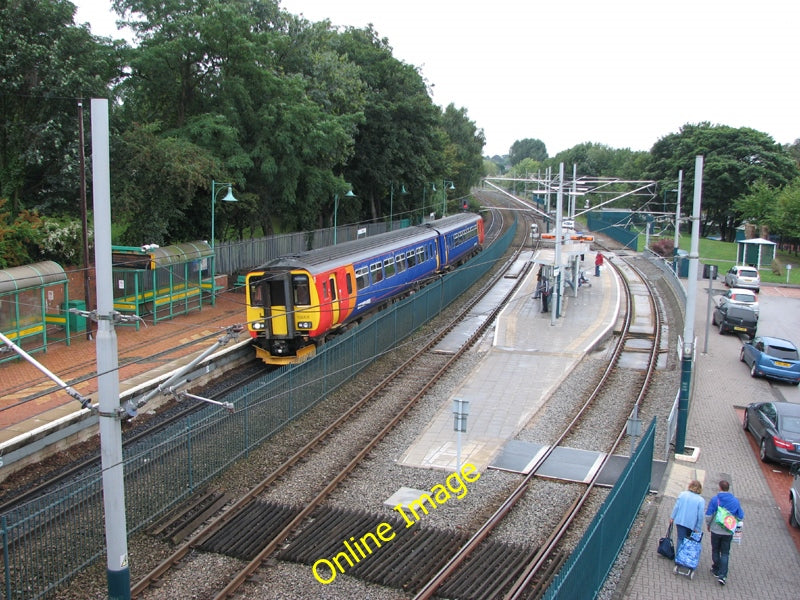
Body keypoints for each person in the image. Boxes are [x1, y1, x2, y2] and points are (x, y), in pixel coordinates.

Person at [705, 480, 744, 585]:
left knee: (715, 550)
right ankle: (723, 576)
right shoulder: (735, 501)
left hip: (716, 530)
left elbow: (709, 515)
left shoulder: (715, 499)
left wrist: (708, 525)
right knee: (725, 553)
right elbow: (740, 516)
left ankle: (716, 568)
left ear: (720, 488)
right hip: (728, 531)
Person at [669, 479, 705, 555]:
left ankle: (678, 558)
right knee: (689, 540)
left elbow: (676, 507)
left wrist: (672, 517)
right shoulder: (700, 500)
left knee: (680, 539)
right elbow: (700, 515)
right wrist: (698, 527)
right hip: (691, 524)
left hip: (680, 521)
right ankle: (685, 557)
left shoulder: (682, 494)